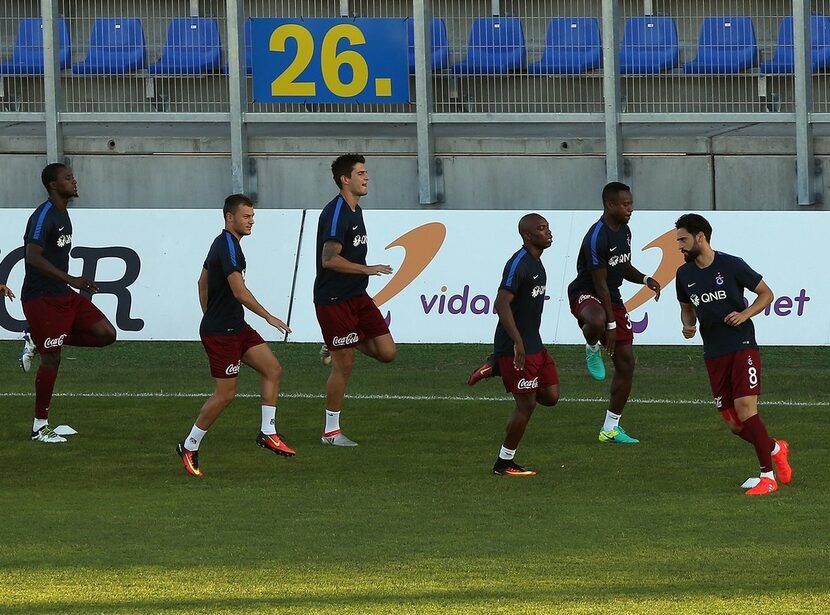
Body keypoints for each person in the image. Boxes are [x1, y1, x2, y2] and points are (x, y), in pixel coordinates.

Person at [176, 194, 295, 477]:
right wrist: (268, 316)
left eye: (252, 217)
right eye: (246, 217)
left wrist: (210, 313)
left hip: (235, 327)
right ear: (230, 217)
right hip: (222, 333)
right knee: (225, 395)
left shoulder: (224, 244)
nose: (251, 221)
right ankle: (189, 445)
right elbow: (239, 292)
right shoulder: (228, 246)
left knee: (272, 369)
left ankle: (268, 432)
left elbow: (201, 282)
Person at [674, 213, 791, 496]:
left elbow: (766, 293)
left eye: (683, 239)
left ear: (700, 236)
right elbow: (687, 307)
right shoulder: (684, 275)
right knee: (733, 424)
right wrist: (687, 326)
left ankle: (768, 477)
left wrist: (745, 314)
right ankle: (775, 447)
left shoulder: (731, 264)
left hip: (742, 346)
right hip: (713, 352)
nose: (679, 246)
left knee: (745, 410)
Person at [22, 163, 117, 443]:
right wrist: (71, 279)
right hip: (42, 298)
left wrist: (67, 283)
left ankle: (38, 339)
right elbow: (32, 257)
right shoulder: (44, 216)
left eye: (73, 177)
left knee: (106, 334)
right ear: (53, 184)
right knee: (52, 358)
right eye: (67, 178)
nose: (74, 181)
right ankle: (40, 426)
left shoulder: (63, 212)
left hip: (62, 294)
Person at [566, 182, 661, 444]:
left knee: (627, 363)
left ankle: (610, 428)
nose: (630, 208)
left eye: (630, 203)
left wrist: (644, 279)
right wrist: (610, 325)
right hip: (586, 293)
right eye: (624, 204)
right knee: (596, 321)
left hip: (611, 297)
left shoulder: (625, 231)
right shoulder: (597, 235)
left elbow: (622, 265)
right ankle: (591, 346)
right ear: (609, 205)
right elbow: (599, 284)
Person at [314, 153, 397, 447]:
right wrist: (367, 268)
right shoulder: (336, 213)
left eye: (366, 172)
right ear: (344, 179)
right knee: (344, 364)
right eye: (361, 173)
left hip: (356, 295)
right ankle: (331, 432)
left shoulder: (355, 209)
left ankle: (336, 340)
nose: (367, 177)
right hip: (333, 298)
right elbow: (329, 259)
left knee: (387, 352)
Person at [487, 214, 560, 476]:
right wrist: (517, 342)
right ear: (527, 235)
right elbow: (501, 303)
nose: (548, 232)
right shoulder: (519, 263)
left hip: (534, 345)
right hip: (516, 347)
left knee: (550, 396)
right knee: (526, 404)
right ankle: (504, 463)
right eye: (541, 229)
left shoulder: (537, 263)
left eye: (548, 227)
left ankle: (496, 367)